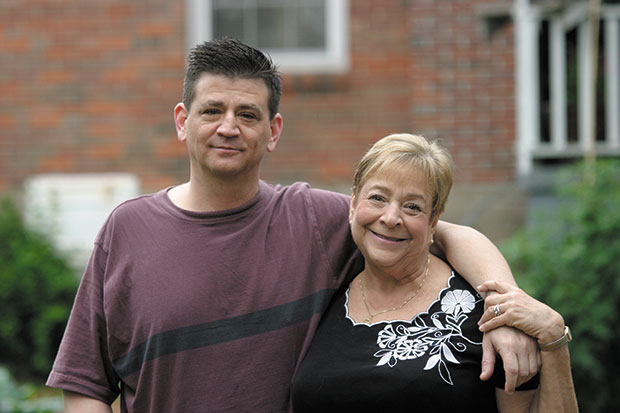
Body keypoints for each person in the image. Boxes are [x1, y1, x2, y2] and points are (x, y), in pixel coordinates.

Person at [47, 38, 537, 412]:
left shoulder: (313, 221)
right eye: (212, 110)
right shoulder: (126, 231)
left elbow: (441, 232)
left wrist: (504, 309)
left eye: (248, 114)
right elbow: (87, 385)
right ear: (182, 120)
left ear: (273, 130)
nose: (228, 127)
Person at [291, 133, 577, 412]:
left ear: (433, 222)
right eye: (378, 198)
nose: (391, 218)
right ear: (353, 204)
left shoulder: (486, 316)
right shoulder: (327, 289)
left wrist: (554, 340)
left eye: (412, 207)